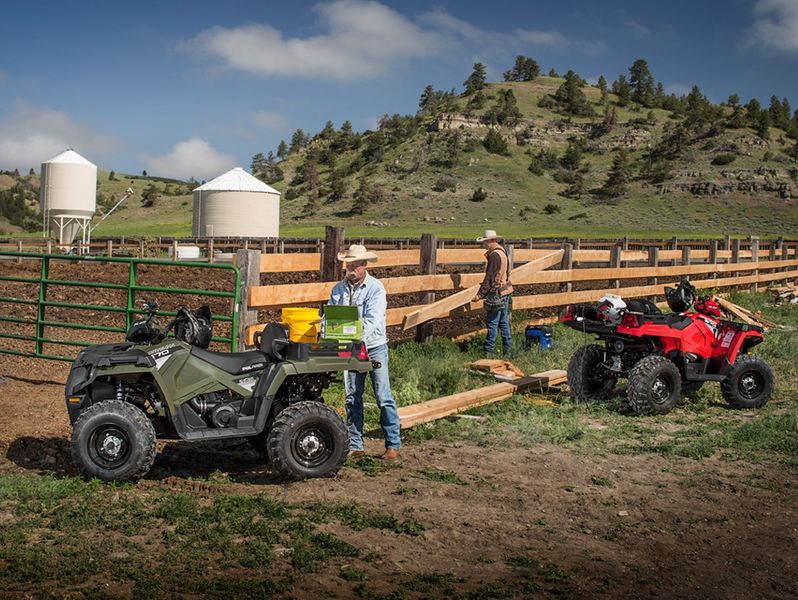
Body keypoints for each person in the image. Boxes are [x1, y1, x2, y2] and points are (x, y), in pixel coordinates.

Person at [328, 244, 401, 460]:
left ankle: (393, 444)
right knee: (352, 397)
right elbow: (332, 316)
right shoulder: (338, 290)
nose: (350, 269)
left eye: (354, 265)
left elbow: (372, 320)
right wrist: (326, 328)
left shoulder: (376, 289)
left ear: (364, 265)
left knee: (383, 395)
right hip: (350, 349)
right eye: (348, 265)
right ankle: (356, 444)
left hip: (373, 347)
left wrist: (351, 335)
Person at [476, 230, 514, 355]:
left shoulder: (494, 255)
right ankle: (508, 350)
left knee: (492, 323)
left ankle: (488, 351)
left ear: (491, 241)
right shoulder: (502, 252)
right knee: (503, 322)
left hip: (497, 293)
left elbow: (490, 277)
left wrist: (480, 294)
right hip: (505, 290)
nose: (484, 245)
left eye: (485, 242)